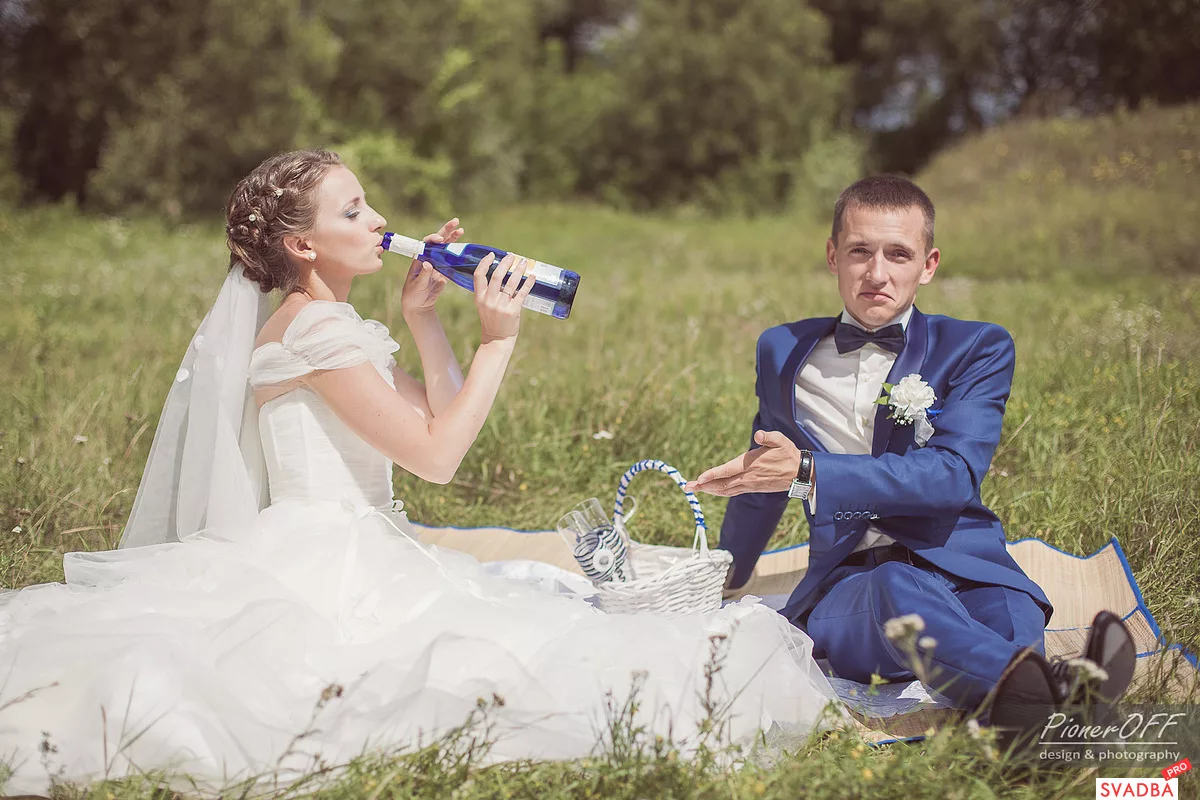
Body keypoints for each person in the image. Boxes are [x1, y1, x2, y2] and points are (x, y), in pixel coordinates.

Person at [0, 150, 838, 794]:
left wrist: (422, 318)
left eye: (370, 205)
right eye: (354, 210)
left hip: (363, 536)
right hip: (332, 552)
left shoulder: (330, 324)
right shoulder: (313, 334)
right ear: (301, 244)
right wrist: (501, 342)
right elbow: (439, 460)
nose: (379, 220)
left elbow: (434, 418)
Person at [685, 175, 1136, 742]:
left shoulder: (977, 346)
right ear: (833, 257)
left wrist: (811, 471)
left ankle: (1033, 721)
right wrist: (727, 571)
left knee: (1009, 619)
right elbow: (766, 468)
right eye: (859, 252)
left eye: (898, 254)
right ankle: (1070, 694)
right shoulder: (782, 351)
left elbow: (952, 477)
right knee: (898, 586)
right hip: (852, 587)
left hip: (970, 566)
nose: (877, 274)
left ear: (928, 264)